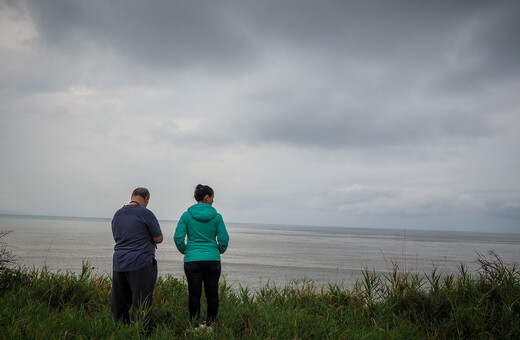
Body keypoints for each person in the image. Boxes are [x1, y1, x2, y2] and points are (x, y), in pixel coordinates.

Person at [174, 184, 229, 330]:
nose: (213, 201)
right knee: (212, 294)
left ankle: (194, 327)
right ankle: (210, 326)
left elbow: (178, 237)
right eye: (212, 198)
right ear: (206, 197)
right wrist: (218, 251)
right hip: (212, 259)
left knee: (194, 294)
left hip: (192, 259)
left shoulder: (186, 215)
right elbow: (224, 240)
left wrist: (186, 250)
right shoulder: (217, 217)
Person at [111, 187, 163, 332]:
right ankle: (142, 332)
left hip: (119, 263)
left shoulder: (117, 214)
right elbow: (158, 238)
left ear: (132, 196)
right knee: (142, 302)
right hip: (141, 263)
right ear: (146, 198)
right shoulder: (146, 213)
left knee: (119, 303)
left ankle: (119, 330)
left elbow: (117, 236)